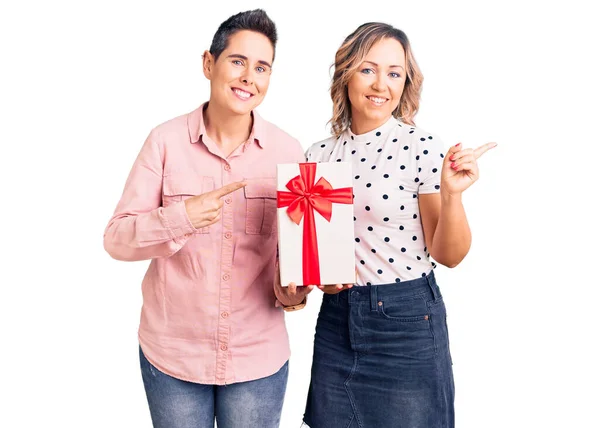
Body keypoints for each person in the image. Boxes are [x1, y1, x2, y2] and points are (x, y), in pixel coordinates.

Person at [103, 9, 311, 428]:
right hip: (173, 356)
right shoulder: (164, 142)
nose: (248, 76)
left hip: (257, 359)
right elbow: (117, 238)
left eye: (262, 67)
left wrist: (295, 291)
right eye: (237, 61)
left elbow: (292, 270)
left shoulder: (290, 153)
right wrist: (181, 217)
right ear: (208, 64)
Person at [302, 22, 496, 428]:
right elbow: (318, 251)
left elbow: (449, 255)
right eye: (368, 69)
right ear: (346, 73)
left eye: (394, 73)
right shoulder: (318, 154)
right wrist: (321, 278)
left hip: (406, 323)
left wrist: (452, 195)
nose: (381, 84)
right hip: (337, 322)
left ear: (405, 83)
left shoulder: (421, 146)